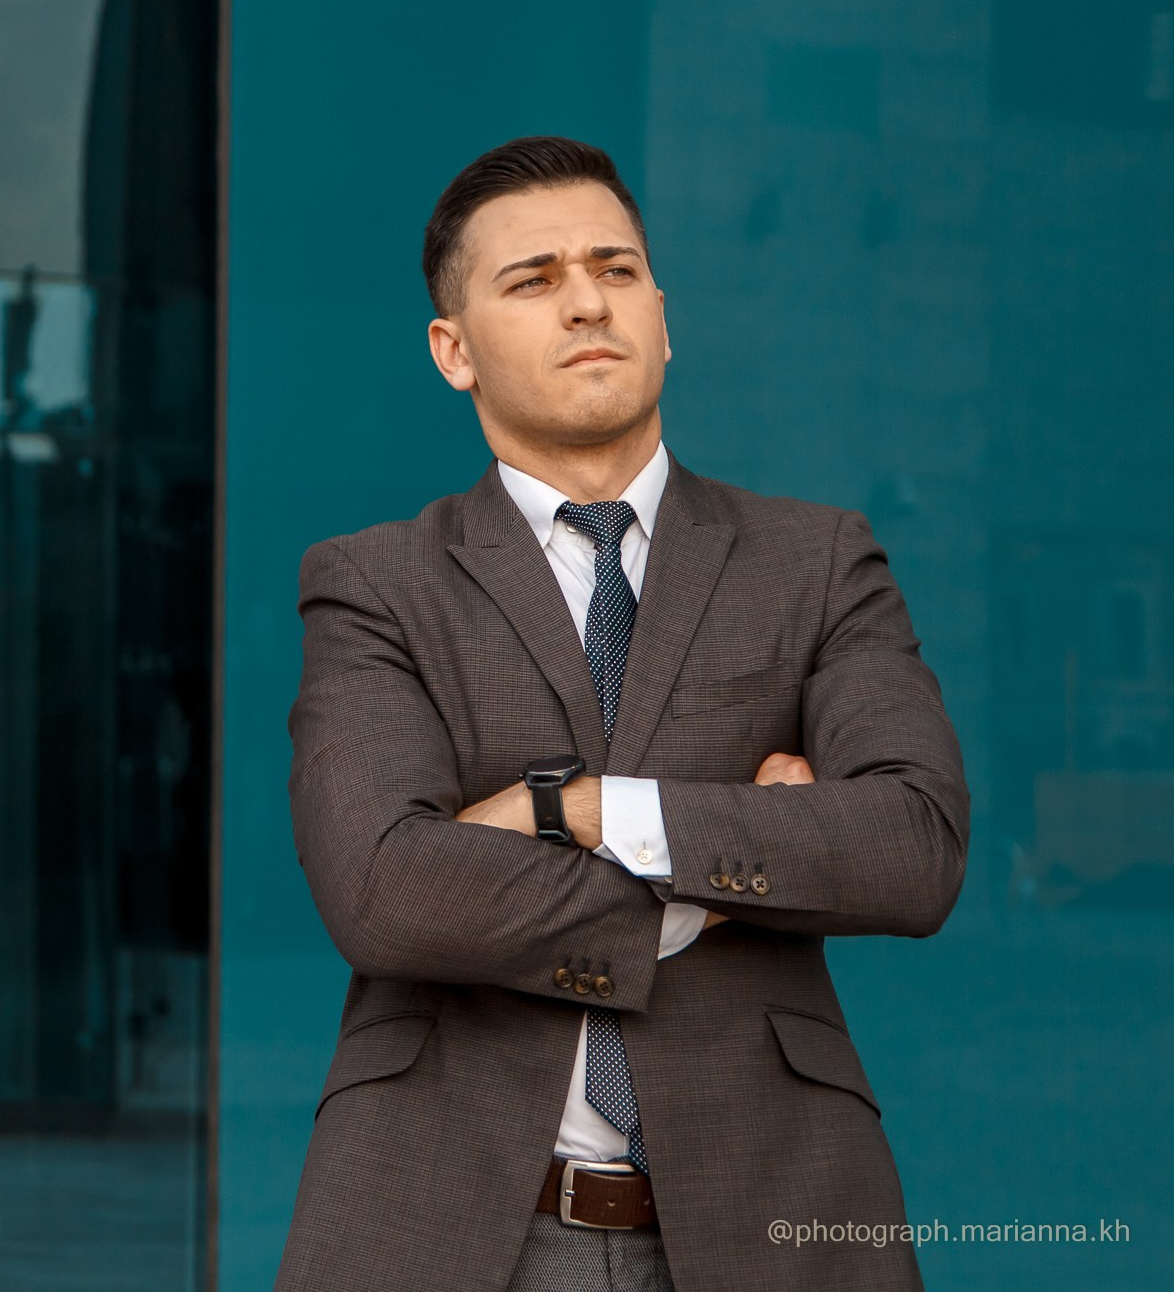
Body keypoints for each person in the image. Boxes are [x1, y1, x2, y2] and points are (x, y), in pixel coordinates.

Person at [275, 136, 968, 1291]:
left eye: (615, 268)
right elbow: (385, 893)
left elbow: (911, 848)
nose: (586, 300)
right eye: (532, 279)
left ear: (661, 311)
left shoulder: (816, 561)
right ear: (453, 351)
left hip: (775, 1210)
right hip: (441, 1219)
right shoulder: (372, 581)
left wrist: (586, 808)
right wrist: (715, 870)